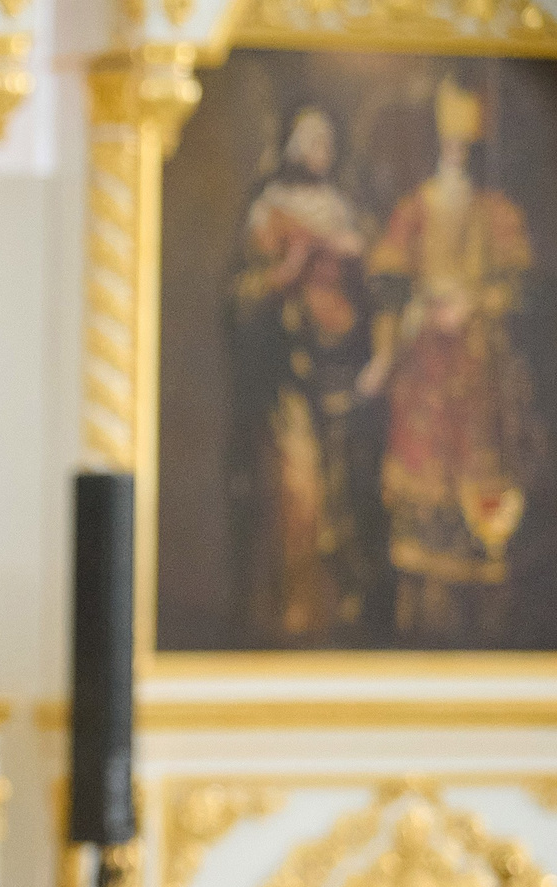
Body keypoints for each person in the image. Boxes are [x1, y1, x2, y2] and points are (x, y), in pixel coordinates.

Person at [360, 76, 539, 643]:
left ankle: (483, 611)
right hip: (423, 363)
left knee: (481, 472)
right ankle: (422, 609)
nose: (456, 153)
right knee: (420, 473)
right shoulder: (413, 209)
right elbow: (389, 285)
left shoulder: (497, 212)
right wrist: (396, 341)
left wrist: (474, 304)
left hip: (479, 362)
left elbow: (519, 289)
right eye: (448, 144)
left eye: (465, 145)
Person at [230, 106, 377, 642]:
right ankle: (294, 609)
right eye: (312, 139)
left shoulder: (340, 208)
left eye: (326, 140)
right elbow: (247, 294)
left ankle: (341, 610)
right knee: (296, 490)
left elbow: (366, 280)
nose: (321, 149)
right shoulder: (270, 208)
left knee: (344, 491)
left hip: (341, 367)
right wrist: (291, 269)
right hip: (286, 371)